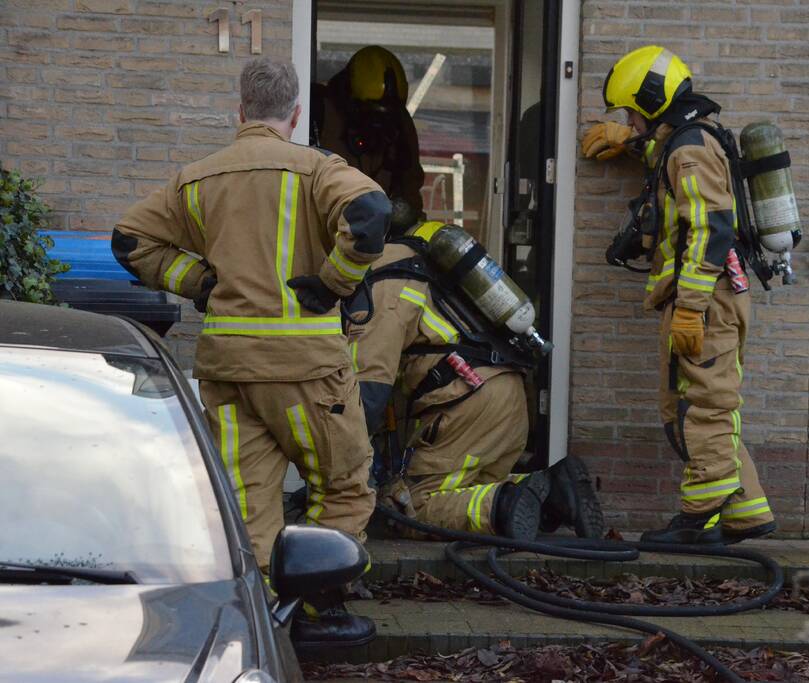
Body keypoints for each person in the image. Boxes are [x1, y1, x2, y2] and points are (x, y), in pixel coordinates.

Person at [112, 56, 389, 647]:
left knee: (245, 500)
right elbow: (370, 214)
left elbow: (130, 240)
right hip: (307, 371)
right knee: (341, 486)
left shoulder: (196, 179)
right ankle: (318, 609)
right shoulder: (318, 169)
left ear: (239, 112)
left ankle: (260, 623)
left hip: (227, 370)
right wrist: (334, 283)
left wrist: (199, 282)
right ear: (296, 114)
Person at [581, 45, 775, 545]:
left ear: (652, 101)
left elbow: (709, 229)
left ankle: (699, 520)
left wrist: (689, 308)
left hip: (705, 301)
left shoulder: (689, 148)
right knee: (707, 404)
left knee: (698, 407)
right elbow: (663, 163)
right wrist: (629, 142)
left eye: (632, 113)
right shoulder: (684, 140)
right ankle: (745, 510)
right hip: (708, 299)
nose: (630, 121)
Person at [346, 220, 604, 541]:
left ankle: (504, 506)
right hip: (505, 395)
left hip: (466, 405)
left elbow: (366, 391)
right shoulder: (427, 271)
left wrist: (336, 469)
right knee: (467, 492)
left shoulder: (383, 281)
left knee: (410, 508)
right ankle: (553, 493)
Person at [313, 45, 425, 219]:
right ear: (350, 101)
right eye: (371, 113)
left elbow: (410, 191)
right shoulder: (320, 113)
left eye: (386, 116)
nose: (378, 126)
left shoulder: (400, 126)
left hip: (377, 230)